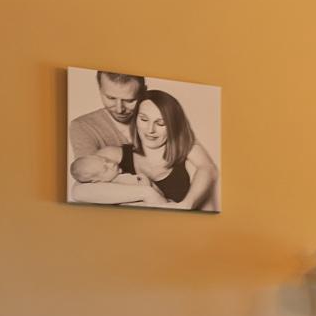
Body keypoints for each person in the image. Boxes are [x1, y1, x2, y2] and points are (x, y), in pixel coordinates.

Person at [72, 89, 219, 211]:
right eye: (143, 119)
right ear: (135, 119)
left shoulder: (187, 152)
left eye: (160, 123)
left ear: (174, 125)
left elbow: (208, 169)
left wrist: (186, 205)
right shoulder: (111, 155)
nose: (150, 130)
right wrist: (147, 193)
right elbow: (78, 191)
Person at [68, 71, 144, 163]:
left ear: (143, 92)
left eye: (129, 100)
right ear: (100, 90)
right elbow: (88, 171)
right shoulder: (82, 126)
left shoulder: (157, 119)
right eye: (111, 98)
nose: (119, 110)